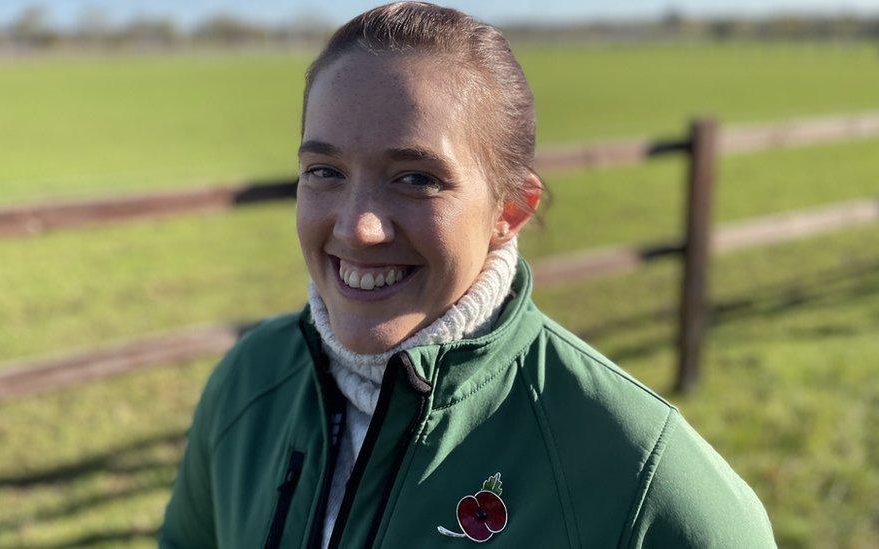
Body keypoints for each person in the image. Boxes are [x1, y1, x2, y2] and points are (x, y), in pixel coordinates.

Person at [159, 3, 776, 547]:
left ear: (510, 212)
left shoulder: (636, 469)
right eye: (325, 171)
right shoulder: (250, 381)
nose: (357, 229)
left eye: (417, 178)